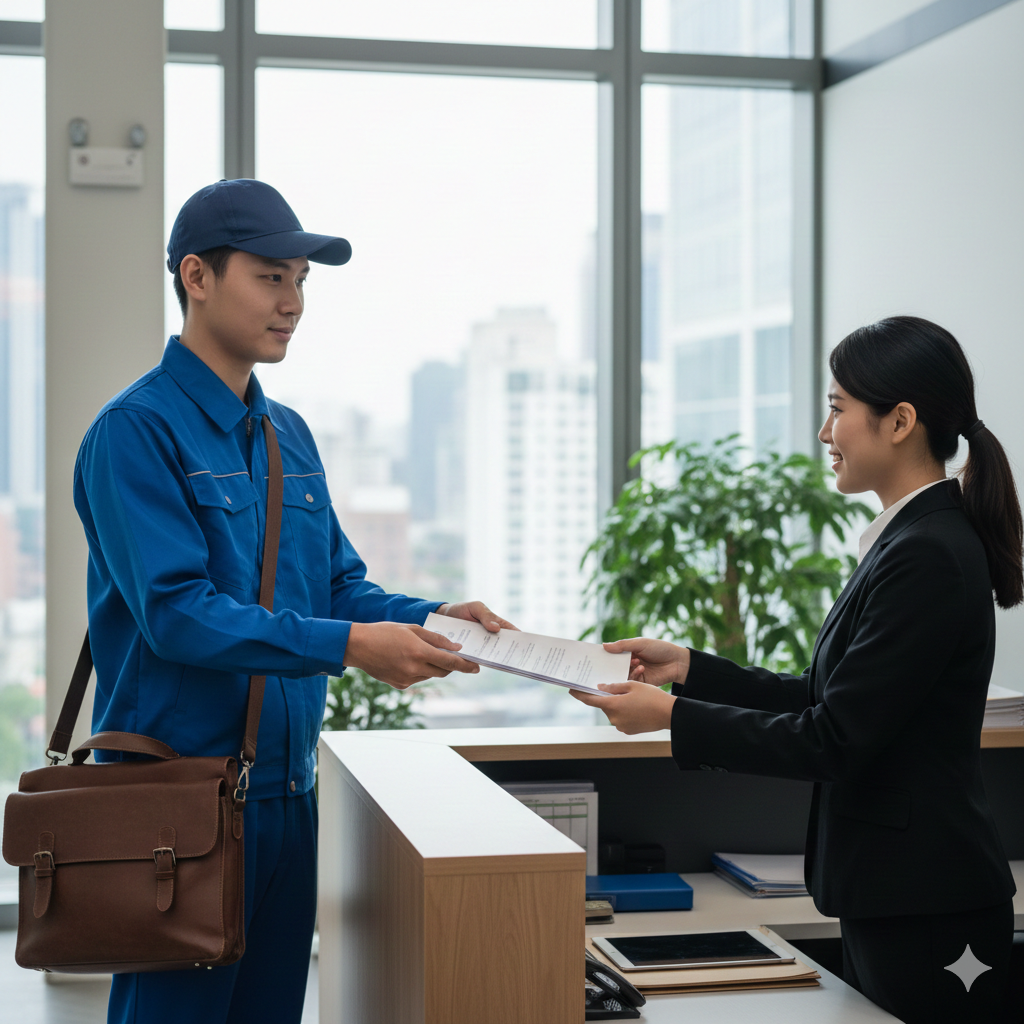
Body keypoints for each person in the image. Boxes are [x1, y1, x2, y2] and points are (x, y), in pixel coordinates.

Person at [73, 179, 513, 1024]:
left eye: (302, 282)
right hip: (176, 800)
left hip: (284, 796)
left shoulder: (290, 435)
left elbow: (340, 586)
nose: (294, 303)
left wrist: (431, 617)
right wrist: (350, 647)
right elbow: (177, 613)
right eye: (272, 277)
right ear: (196, 276)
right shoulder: (135, 432)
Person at [571, 316, 1020, 1024]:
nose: (824, 432)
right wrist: (689, 670)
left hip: (929, 906)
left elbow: (832, 739)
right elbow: (824, 697)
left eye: (838, 408)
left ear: (899, 421)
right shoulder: (909, 538)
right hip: (903, 895)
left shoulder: (927, 552)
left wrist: (672, 720)